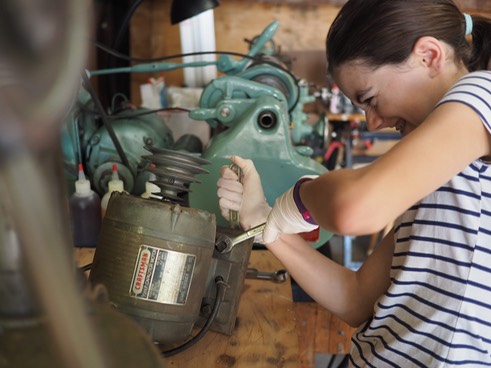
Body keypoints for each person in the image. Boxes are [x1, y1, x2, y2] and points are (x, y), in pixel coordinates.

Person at [216, 0, 491, 366]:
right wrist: (263, 220)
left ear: (428, 55)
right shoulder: (438, 177)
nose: (372, 123)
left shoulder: (482, 93)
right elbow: (357, 299)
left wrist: (300, 196)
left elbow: (353, 209)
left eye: (370, 99)